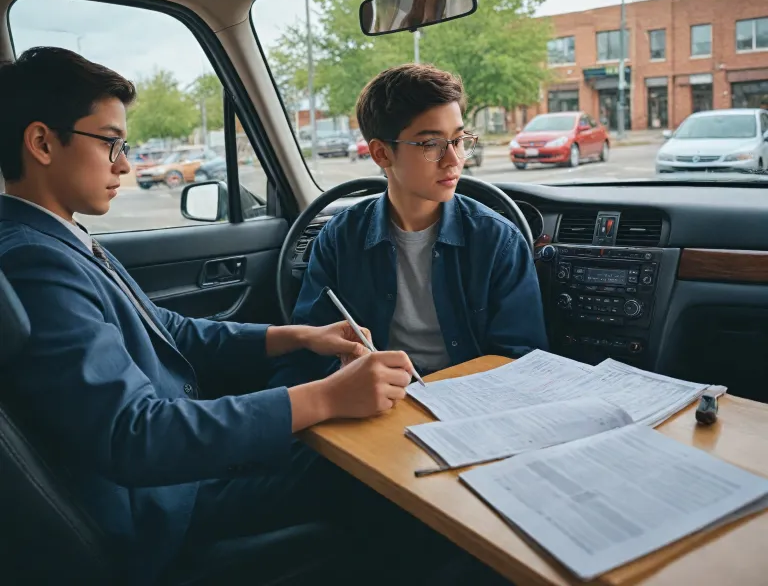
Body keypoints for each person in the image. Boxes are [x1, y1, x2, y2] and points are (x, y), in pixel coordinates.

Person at [0, 48, 502, 586]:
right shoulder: (35, 262)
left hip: (171, 480)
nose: (123, 164)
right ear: (42, 143)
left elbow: (167, 330)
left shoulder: (59, 240)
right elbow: (134, 435)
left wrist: (297, 336)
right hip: (163, 508)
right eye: (110, 142)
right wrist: (326, 397)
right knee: (394, 481)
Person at [271, 63, 547, 388]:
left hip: (472, 400)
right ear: (381, 154)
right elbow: (309, 349)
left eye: (458, 140)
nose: (454, 159)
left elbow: (521, 360)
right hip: (370, 401)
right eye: (431, 144)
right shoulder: (340, 238)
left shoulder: (497, 240)